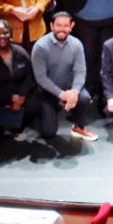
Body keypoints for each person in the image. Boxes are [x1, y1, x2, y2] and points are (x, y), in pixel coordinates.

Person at [0, 20, 46, 146]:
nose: (1, 37)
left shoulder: (20, 53)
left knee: (35, 104)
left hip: (17, 96)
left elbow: (29, 78)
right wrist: (11, 98)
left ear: (11, 34)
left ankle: (14, 127)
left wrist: (21, 97)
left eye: (5, 33)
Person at [31, 11, 97, 141]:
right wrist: (61, 95)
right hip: (48, 92)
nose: (62, 29)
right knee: (48, 133)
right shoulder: (40, 47)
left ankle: (78, 127)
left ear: (71, 26)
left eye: (66, 25)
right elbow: (41, 78)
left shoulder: (76, 44)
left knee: (84, 98)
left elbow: (80, 71)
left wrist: (74, 92)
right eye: (58, 25)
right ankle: (43, 116)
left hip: (69, 87)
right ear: (51, 26)